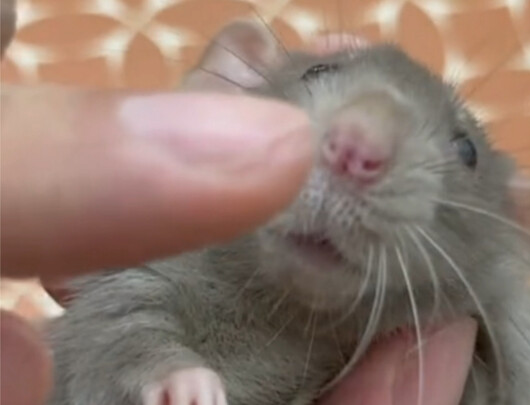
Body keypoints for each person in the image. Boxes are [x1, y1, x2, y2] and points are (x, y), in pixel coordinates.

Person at [0, 2, 478, 404]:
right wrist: (163, 369)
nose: (360, 147)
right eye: (319, 74)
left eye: (463, 150)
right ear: (228, 88)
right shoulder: (176, 253)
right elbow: (110, 322)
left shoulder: (454, 310)